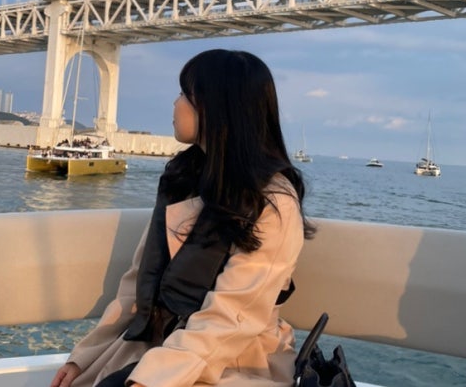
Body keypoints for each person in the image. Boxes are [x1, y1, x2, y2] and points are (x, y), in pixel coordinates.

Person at [50, 49, 316, 387]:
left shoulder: (273, 203)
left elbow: (232, 319)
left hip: (232, 363)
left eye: (185, 94)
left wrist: (150, 379)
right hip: (157, 345)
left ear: (217, 107)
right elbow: (138, 284)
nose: (175, 104)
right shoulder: (183, 178)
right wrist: (84, 358)